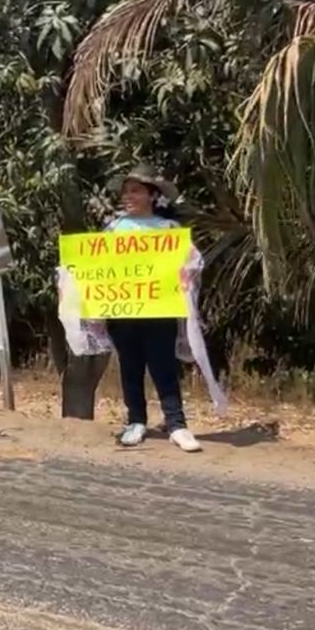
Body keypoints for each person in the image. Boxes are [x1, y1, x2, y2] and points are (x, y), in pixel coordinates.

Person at [103, 165, 202, 453]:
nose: (128, 196)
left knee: (164, 367)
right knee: (130, 368)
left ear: (152, 195)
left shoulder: (169, 230)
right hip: (123, 310)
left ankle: (176, 424)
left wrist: (187, 270)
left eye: (135, 191)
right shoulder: (113, 229)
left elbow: (191, 263)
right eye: (125, 191)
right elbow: (97, 266)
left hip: (159, 309)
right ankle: (136, 421)